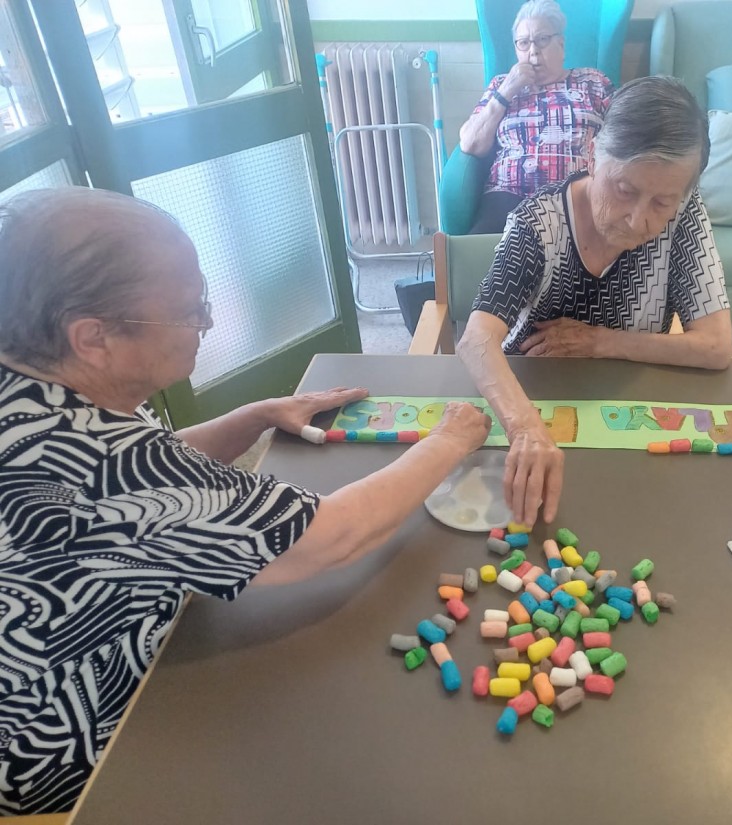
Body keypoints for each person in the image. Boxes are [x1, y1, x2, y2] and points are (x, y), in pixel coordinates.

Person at [0, 187, 491, 815]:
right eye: (187, 312)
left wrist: (252, 418)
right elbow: (334, 535)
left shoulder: (34, 383)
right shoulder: (117, 465)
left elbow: (138, 483)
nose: (206, 323)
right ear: (93, 338)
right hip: (65, 753)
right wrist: (451, 438)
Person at [457, 75, 732, 528]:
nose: (639, 220)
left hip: (627, 414)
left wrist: (600, 341)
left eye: (662, 202)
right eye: (625, 190)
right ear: (591, 154)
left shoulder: (684, 214)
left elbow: (716, 347)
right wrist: (525, 429)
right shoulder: (537, 223)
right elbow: (476, 339)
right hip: (526, 404)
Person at [459, 0, 614, 233]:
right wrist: (506, 91)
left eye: (542, 39)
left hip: (579, 194)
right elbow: (471, 144)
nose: (533, 50)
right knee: (478, 250)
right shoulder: (501, 85)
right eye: (523, 43)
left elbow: (625, 133)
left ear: (561, 44)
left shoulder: (593, 81)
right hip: (509, 194)